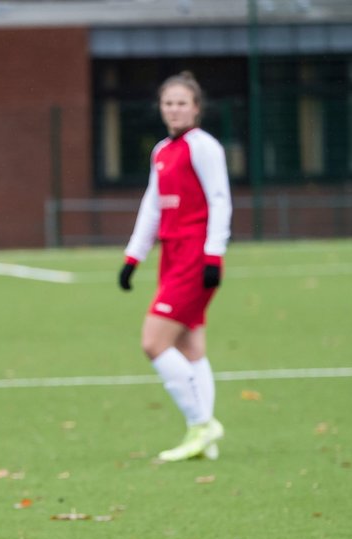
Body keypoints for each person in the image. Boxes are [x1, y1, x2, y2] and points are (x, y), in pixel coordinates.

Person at [119, 71, 232, 462]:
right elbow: (153, 205)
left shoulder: (204, 147)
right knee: (190, 346)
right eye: (169, 103)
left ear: (196, 108)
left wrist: (214, 254)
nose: (175, 109)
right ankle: (203, 436)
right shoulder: (162, 151)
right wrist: (134, 257)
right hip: (172, 256)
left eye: (182, 102)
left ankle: (202, 424)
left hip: (195, 256)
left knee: (153, 342)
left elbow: (219, 200)